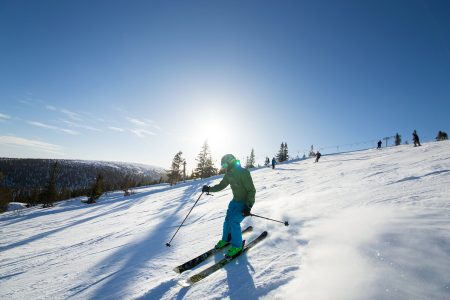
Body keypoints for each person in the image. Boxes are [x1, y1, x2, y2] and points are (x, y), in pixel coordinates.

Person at [202, 154, 256, 257]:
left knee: (234, 221)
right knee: (227, 220)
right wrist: (209, 189)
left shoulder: (243, 173)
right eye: (223, 166)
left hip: (244, 203)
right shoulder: (229, 174)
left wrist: (248, 206)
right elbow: (221, 185)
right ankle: (226, 240)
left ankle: (237, 246)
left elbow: (251, 190)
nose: (224, 168)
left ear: (231, 162)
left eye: (225, 165)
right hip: (234, 202)